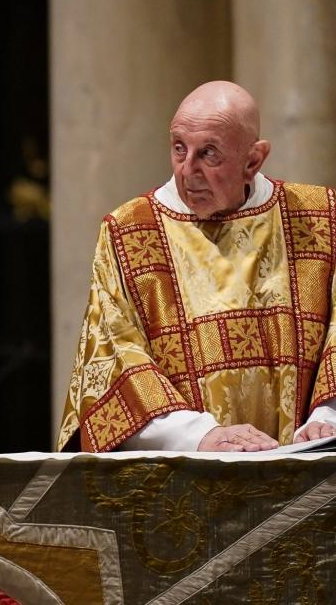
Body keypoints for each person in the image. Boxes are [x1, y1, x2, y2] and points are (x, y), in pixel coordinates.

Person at [57, 80, 336, 453]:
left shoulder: (318, 219)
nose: (187, 170)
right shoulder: (130, 231)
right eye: (178, 148)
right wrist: (199, 435)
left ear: (253, 161)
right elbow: (113, 357)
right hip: (187, 473)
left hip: (309, 472)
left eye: (209, 153)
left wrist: (327, 418)